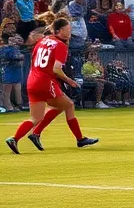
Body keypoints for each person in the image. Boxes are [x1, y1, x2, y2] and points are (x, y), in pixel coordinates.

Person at [6, 17, 99, 153]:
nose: (70, 31)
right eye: (68, 29)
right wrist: (69, 80)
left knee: (37, 117)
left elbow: (34, 58)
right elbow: (56, 69)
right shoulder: (60, 45)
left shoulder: (43, 40)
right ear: (60, 31)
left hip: (32, 80)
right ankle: (80, 139)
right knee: (69, 105)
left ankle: (15, 138)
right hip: (45, 81)